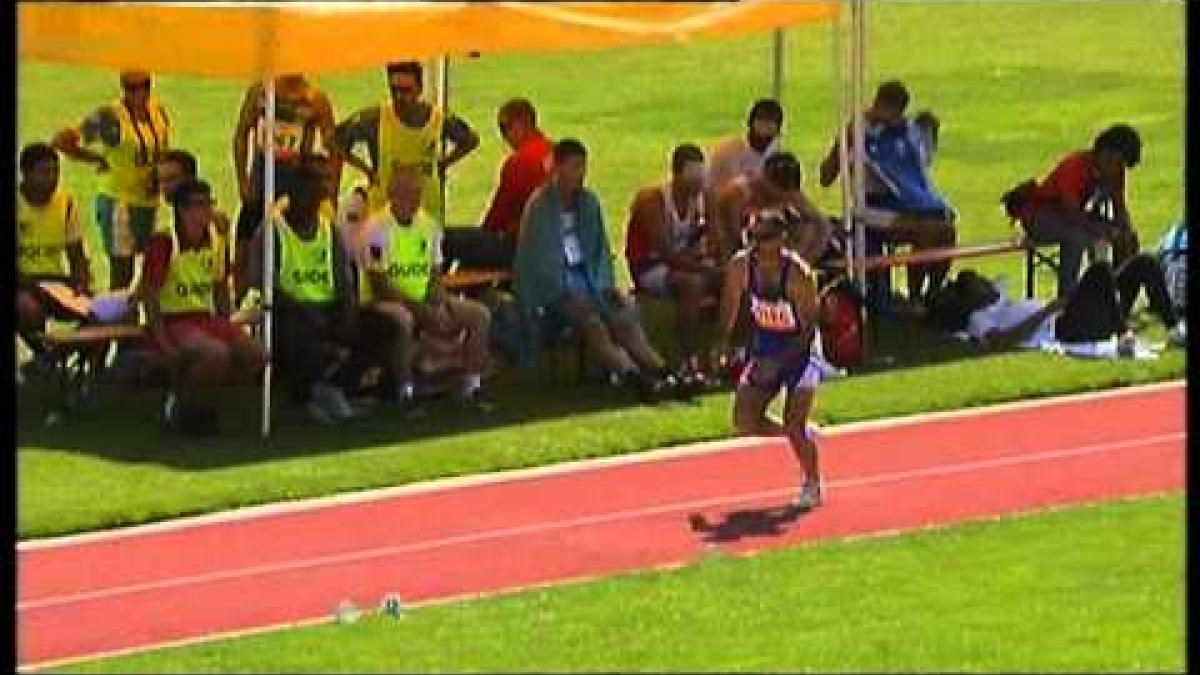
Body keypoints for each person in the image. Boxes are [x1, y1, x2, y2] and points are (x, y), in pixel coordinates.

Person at [513, 138, 677, 402]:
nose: (579, 174)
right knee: (593, 325)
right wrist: (566, 292)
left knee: (624, 320)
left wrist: (605, 286)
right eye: (573, 167)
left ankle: (664, 372)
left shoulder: (589, 203)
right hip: (553, 292)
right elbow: (539, 264)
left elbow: (600, 252)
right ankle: (633, 376)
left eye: (582, 167)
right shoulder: (540, 207)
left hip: (588, 283)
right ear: (556, 168)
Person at [243, 160, 374, 425]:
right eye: (310, 194)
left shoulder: (328, 230)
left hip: (327, 309)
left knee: (381, 327)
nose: (314, 202)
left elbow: (343, 280)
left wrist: (348, 311)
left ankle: (337, 387)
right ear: (293, 194)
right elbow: (259, 281)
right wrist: (300, 309)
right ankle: (307, 396)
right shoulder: (272, 232)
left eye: (318, 195)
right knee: (302, 336)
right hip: (288, 314)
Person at [358, 163, 496, 413]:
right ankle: (405, 393)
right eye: (408, 194)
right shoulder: (376, 230)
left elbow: (434, 275)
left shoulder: (429, 227)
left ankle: (471, 386)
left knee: (478, 314)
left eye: (417, 193)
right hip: (383, 304)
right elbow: (380, 285)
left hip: (424, 299)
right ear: (392, 195)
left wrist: (441, 303)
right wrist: (421, 310)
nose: (414, 200)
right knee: (403, 319)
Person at [138, 178, 265, 437]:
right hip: (174, 319)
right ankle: (185, 410)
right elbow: (149, 295)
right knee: (214, 354)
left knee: (256, 355)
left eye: (210, 203)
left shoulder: (216, 240)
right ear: (183, 210)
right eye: (201, 205)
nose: (208, 210)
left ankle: (202, 402)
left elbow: (219, 285)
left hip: (204, 318)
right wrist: (162, 340)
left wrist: (228, 323)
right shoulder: (165, 242)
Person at [718, 210, 824, 510]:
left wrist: (779, 361)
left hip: (801, 350)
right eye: (752, 237)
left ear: (781, 240)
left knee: (794, 420)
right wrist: (722, 344)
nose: (756, 245)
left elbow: (808, 329)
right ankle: (798, 433)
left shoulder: (798, 275)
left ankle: (812, 481)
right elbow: (729, 306)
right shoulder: (740, 266)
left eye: (764, 238)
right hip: (766, 345)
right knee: (744, 420)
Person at [818, 80, 956, 309]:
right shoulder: (859, 131)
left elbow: (917, 167)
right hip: (870, 209)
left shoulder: (902, 132)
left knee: (947, 230)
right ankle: (914, 298)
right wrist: (845, 143)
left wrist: (928, 131)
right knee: (926, 232)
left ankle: (932, 293)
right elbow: (826, 177)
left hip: (903, 205)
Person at [52, 69, 171, 292]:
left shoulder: (158, 111)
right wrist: (96, 158)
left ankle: (135, 316)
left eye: (144, 86)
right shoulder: (111, 117)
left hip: (148, 202)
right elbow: (62, 140)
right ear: (122, 88)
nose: (138, 93)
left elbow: (163, 149)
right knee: (121, 272)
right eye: (131, 88)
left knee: (148, 268)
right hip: (119, 202)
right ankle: (117, 320)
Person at [926, 255, 1186, 351]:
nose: (986, 282)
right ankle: (1124, 334)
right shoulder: (979, 317)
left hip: (1078, 316)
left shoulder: (1001, 300)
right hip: (1064, 328)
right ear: (971, 296)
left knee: (1144, 263)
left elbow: (999, 283)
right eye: (979, 283)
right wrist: (1048, 310)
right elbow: (1001, 342)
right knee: (1099, 270)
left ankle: (1174, 329)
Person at [231, 73, 339, 301]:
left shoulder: (315, 99)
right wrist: (242, 181)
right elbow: (241, 134)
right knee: (244, 250)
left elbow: (333, 148)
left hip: (296, 190)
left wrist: (330, 192)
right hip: (261, 185)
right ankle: (240, 305)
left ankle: (298, 299)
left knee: (293, 248)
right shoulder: (260, 92)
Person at [335, 61, 480, 220]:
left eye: (405, 91)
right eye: (394, 90)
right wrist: (366, 170)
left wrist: (442, 164)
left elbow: (470, 140)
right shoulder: (374, 118)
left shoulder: (439, 119)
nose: (399, 97)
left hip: (427, 212)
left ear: (419, 89)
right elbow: (334, 139)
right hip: (384, 215)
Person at [1013, 124, 1144, 299]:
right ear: (1106, 154)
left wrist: (1125, 229)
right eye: (1118, 163)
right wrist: (1102, 230)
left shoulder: (1115, 172)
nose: (1119, 169)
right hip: (1040, 216)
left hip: (1071, 217)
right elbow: (1071, 213)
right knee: (1077, 237)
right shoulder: (1074, 166)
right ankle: (1066, 302)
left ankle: (1117, 298)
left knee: (1128, 238)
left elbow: (1119, 208)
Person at [625, 143, 721, 375]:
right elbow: (666, 253)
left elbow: (715, 240)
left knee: (734, 279)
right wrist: (706, 270)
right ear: (676, 173)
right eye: (692, 175)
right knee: (691, 283)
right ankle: (687, 358)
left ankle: (723, 350)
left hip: (686, 262)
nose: (698, 181)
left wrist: (720, 263)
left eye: (701, 174)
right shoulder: (653, 200)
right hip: (650, 268)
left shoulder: (702, 198)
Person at [443, 98, 554, 270]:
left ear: (520, 124)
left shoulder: (519, 161)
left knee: (446, 240)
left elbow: (499, 214)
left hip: (522, 247)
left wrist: (482, 234)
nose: (504, 137)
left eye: (504, 128)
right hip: (551, 244)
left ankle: (440, 290)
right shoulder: (554, 152)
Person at [16, 143, 94, 375]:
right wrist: (38, 286)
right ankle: (42, 354)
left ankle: (57, 358)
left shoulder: (66, 204)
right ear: (26, 174)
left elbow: (76, 254)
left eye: (55, 172)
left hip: (56, 283)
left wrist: (81, 281)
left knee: (103, 312)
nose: (52, 178)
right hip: (24, 285)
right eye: (44, 172)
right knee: (29, 310)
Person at [714, 151, 833, 266]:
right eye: (780, 191)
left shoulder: (789, 191)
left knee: (809, 228)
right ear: (765, 178)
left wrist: (805, 257)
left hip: (770, 253)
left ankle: (792, 271)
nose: (783, 197)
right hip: (733, 253)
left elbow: (822, 224)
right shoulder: (740, 193)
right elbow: (733, 239)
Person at [707, 99, 785, 192]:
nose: (764, 133)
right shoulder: (727, 151)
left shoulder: (777, 152)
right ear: (750, 124)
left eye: (770, 126)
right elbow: (715, 189)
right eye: (761, 123)